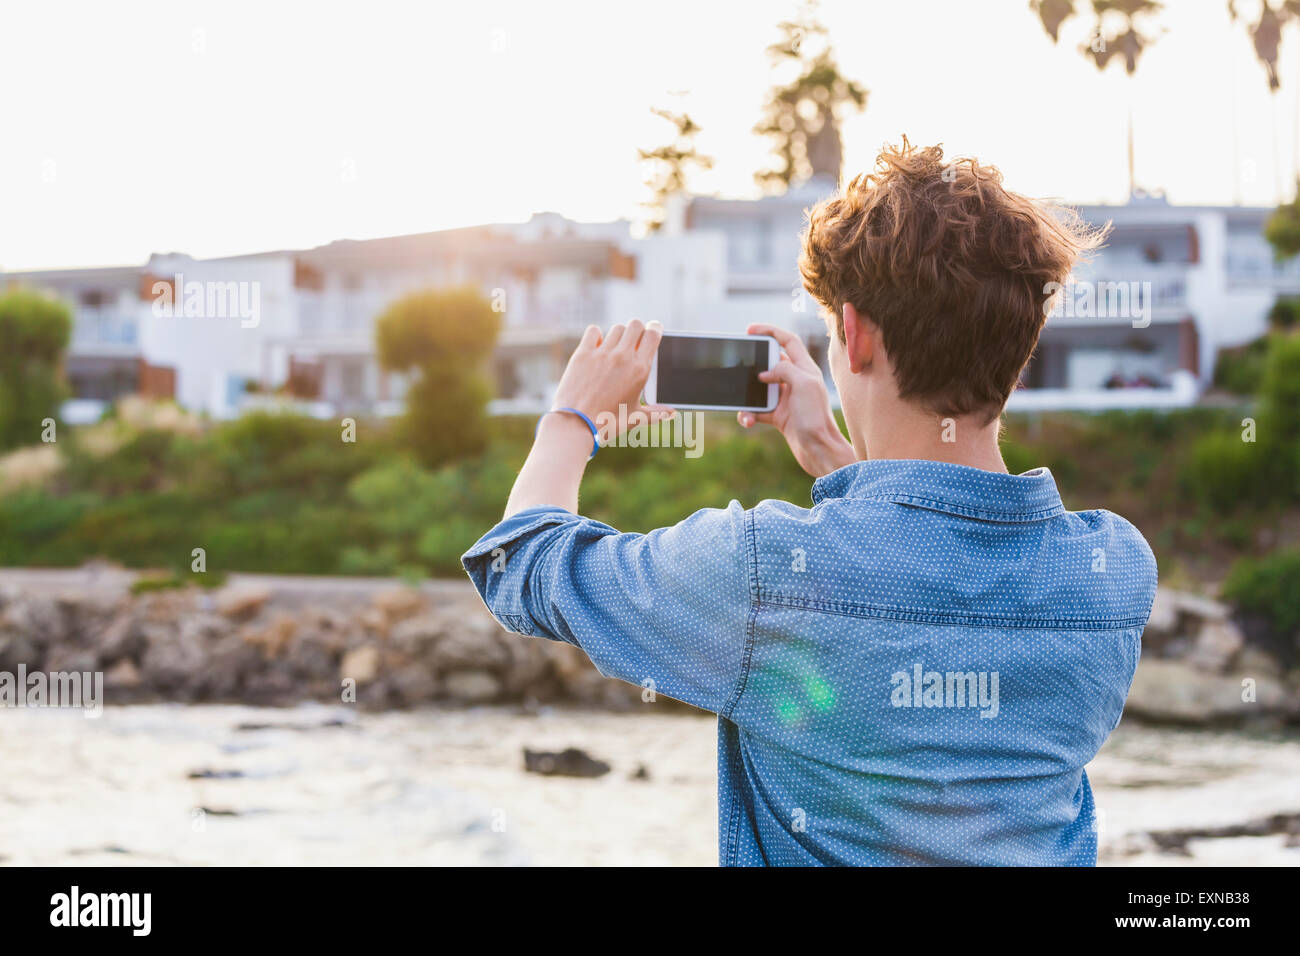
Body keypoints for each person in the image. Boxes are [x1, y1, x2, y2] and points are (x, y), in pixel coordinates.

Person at [462, 140, 1157, 866]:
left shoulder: (762, 574)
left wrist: (570, 419)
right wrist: (826, 449)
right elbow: (927, 573)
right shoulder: (1112, 574)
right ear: (1024, 340)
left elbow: (521, 564)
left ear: (854, 337)